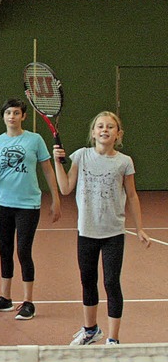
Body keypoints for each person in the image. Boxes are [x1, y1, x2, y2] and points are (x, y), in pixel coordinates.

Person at [53, 111, 151, 346]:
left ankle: (113, 339)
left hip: (113, 233)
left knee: (111, 283)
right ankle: (90, 330)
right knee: (88, 280)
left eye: (110, 126)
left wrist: (139, 228)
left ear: (118, 134)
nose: (104, 130)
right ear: (93, 132)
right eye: (100, 126)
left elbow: (132, 195)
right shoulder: (81, 156)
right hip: (86, 231)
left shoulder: (124, 161)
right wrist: (57, 162)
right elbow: (65, 188)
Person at [0, 98, 61, 320]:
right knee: (4, 251)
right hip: (2, 204)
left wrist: (56, 199)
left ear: (23, 116)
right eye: (8, 113)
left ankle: (28, 302)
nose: (12, 116)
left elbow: (48, 171)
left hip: (28, 205)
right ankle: (5, 298)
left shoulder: (35, 140)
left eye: (16, 113)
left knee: (23, 251)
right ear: (3, 117)